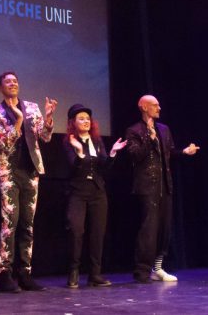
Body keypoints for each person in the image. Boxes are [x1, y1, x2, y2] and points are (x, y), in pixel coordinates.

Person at [0, 71, 57, 292]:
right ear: (0, 88)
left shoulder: (32, 107)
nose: (13, 84)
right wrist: (19, 121)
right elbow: (5, 144)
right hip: (9, 172)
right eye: (8, 82)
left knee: (27, 223)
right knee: (10, 222)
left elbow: (45, 137)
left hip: (31, 171)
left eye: (15, 81)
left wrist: (48, 118)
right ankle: (5, 274)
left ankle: (25, 273)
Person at [125, 95, 199, 283]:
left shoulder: (164, 129)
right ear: (144, 107)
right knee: (149, 229)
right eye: (155, 105)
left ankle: (157, 268)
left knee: (164, 228)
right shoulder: (134, 131)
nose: (159, 108)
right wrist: (149, 140)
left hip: (165, 184)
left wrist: (184, 152)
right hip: (147, 186)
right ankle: (142, 271)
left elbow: (169, 154)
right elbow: (135, 156)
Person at [62, 104, 127, 288]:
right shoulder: (69, 142)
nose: (86, 121)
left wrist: (113, 153)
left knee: (98, 233)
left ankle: (95, 274)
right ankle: (73, 272)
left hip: (97, 192)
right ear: (73, 122)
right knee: (76, 231)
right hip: (78, 191)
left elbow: (104, 166)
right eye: (81, 119)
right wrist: (79, 153)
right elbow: (72, 167)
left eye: (88, 118)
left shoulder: (96, 141)